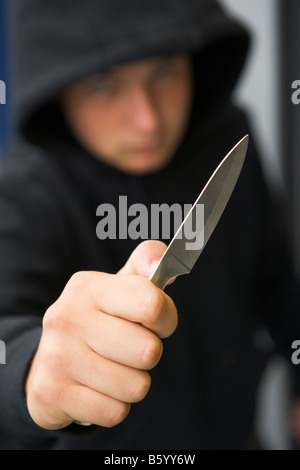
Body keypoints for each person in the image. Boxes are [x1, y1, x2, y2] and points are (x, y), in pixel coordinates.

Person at [0, 0, 299, 450]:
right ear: (57, 90)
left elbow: (276, 279)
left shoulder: (227, 139)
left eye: (164, 72)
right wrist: (31, 374)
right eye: (104, 85)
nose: (148, 120)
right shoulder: (23, 191)